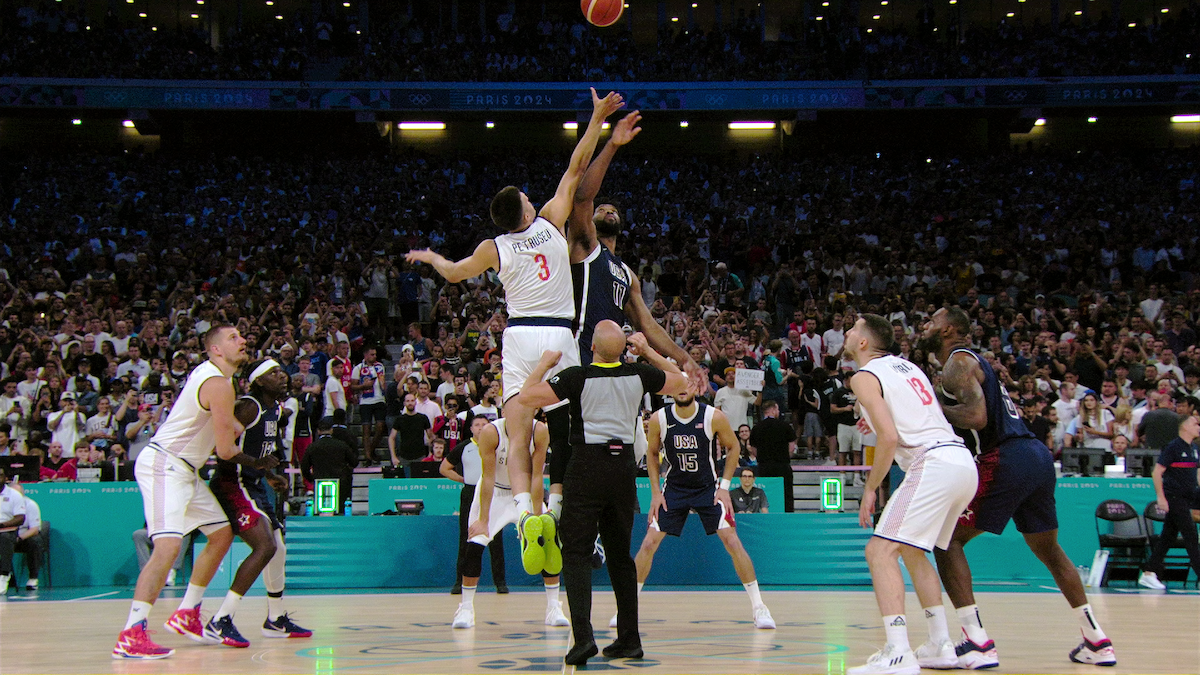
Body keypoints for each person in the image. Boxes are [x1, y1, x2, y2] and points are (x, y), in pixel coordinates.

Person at [406, 89, 625, 564]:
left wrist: (430, 256)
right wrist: (597, 119)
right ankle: (559, 511)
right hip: (558, 335)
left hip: (519, 336)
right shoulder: (549, 221)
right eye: (527, 197)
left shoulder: (495, 247)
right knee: (567, 430)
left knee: (519, 430)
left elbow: (454, 272)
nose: (531, 197)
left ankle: (526, 513)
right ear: (526, 211)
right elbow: (577, 165)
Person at [919, 307, 1116, 668]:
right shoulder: (972, 361)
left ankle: (977, 642)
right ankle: (1096, 640)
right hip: (1036, 456)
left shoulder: (957, 362)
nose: (925, 326)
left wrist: (930, 407)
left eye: (932, 321)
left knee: (946, 541)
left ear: (947, 330)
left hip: (1006, 456)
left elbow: (976, 417)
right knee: (1050, 551)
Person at [514, 321, 687, 666]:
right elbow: (681, 381)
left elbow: (526, 397)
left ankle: (583, 639)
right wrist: (648, 352)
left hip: (586, 466)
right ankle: (630, 639)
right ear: (624, 350)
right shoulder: (639, 374)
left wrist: (545, 364)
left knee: (576, 552)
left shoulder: (577, 377)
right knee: (620, 555)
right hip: (623, 468)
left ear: (591, 347)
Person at [844, 314, 978, 675]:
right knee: (913, 551)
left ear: (863, 343)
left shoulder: (863, 376)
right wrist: (870, 415)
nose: (848, 333)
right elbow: (910, 413)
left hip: (932, 462)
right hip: (961, 462)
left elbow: (888, 437)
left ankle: (898, 652)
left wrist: (870, 488)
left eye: (853, 329)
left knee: (879, 551)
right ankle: (940, 643)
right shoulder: (908, 368)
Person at [114, 325, 258, 659]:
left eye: (242, 336)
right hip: (165, 464)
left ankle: (187, 612)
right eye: (233, 338)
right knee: (168, 547)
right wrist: (259, 461)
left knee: (221, 534)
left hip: (184, 469)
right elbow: (225, 450)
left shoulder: (216, 378)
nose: (243, 341)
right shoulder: (218, 384)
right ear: (215, 349)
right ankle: (131, 633)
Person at [617, 382, 775, 630]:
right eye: (677, 384)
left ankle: (759, 607)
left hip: (707, 488)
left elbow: (734, 446)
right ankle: (627, 610)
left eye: (687, 384)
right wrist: (656, 493)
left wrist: (724, 487)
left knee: (732, 541)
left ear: (697, 388)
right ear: (669, 390)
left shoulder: (713, 416)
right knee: (648, 543)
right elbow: (652, 453)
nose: (682, 389)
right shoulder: (660, 418)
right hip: (674, 489)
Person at [208, 358, 311, 644]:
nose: (282, 375)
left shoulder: (275, 409)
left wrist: (269, 475)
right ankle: (221, 619)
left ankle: (275, 619)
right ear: (259, 381)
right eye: (273, 373)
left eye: (281, 371)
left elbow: (260, 450)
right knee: (265, 546)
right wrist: (257, 464)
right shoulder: (247, 407)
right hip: (232, 483)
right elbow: (222, 448)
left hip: (254, 484)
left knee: (278, 548)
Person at [454, 411, 567, 629]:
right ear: (505, 410)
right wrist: (483, 519)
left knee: (546, 540)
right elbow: (488, 478)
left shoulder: (539, 430)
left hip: (523, 492)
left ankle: (554, 607)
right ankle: (466, 608)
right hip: (494, 492)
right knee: (475, 544)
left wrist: (536, 516)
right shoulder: (491, 432)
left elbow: (537, 476)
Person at [442, 416, 508, 595]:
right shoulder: (464, 447)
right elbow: (444, 468)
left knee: (495, 539)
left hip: (493, 492)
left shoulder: (498, 445)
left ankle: (500, 583)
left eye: (484, 425)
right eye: (477, 425)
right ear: (471, 429)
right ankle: (460, 582)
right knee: (466, 538)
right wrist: (463, 479)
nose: (480, 428)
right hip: (471, 493)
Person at [1138, 415, 1200, 590]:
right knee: (1191, 535)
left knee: (1168, 536)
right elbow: (1157, 472)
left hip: (1188, 497)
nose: (1199, 426)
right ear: (1185, 427)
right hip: (1174, 497)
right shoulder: (1173, 447)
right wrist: (1161, 497)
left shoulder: (1194, 448)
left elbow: (1197, 474)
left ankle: (1149, 572)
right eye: (1195, 423)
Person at [301, 418, 357, 516]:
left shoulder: (312, 447)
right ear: (331, 430)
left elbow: (304, 467)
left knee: (320, 512)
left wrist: (312, 479)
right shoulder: (341, 445)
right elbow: (354, 462)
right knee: (339, 513)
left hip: (320, 482)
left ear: (318, 431)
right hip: (340, 483)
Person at [749, 401, 795, 512]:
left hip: (764, 467)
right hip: (782, 465)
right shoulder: (785, 426)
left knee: (765, 492)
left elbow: (753, 449)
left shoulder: (756, 428)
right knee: (786, 493)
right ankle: (788, 515)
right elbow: (792, 447)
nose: (778, 412)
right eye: (777, 409)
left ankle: (766, 513)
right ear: (773, 410)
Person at [388, 393, 432, 475]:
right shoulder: (399, 419)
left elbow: (431, 437)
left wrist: (430, 453)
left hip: (420, 456)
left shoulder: (423, 418)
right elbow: (391, 438)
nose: (410, 403)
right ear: (404, 403)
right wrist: (393, 456)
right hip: (404, 457)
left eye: (412, 400)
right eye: (408, 401)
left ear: (415, 402)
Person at [0, 465, 27, 594]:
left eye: (0, 475)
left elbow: (20, 518)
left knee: (4, 539)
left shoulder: (14, 495)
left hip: (7, 530)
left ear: (5, 478)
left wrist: (3, 525)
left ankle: (4, 575)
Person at [11, 483, 41, 591]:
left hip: (23, 538)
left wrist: (19, 538)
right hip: (7, 536)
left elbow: (34, 530)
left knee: (34, 542)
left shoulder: (30, 505)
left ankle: (33, 578)